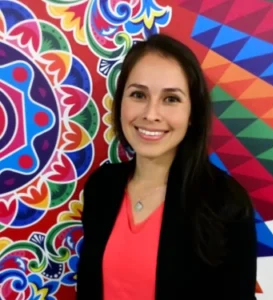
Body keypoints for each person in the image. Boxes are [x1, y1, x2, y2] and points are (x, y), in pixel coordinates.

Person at [76, 33, 257, 300]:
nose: (150, 114)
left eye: (171, 99)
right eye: (138, 94)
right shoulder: (102, 186)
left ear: (193, 113)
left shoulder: (225, 203)